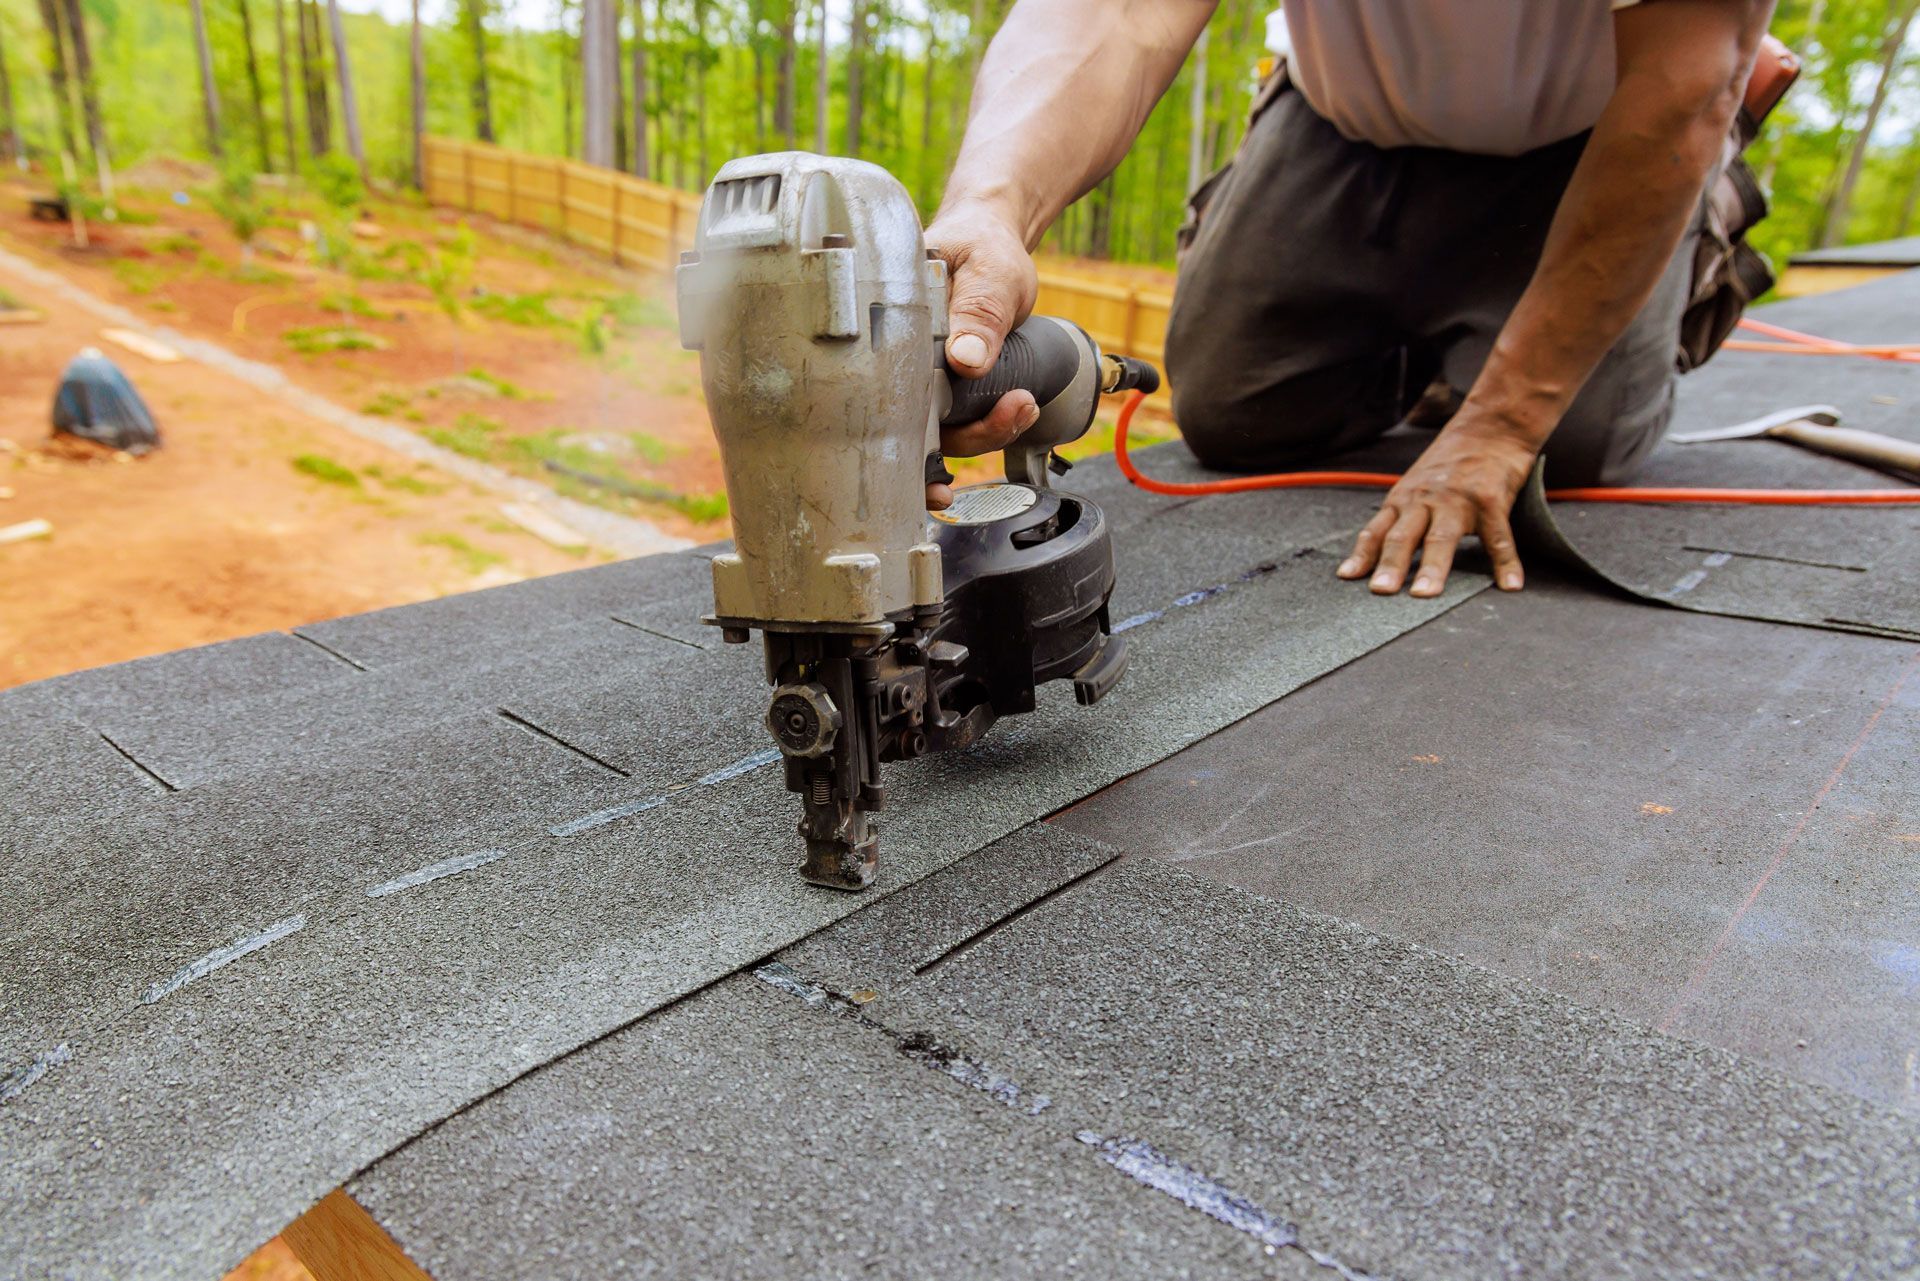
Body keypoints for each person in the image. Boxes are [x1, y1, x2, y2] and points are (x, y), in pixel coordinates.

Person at [926, 0, 1773, 597]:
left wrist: (1502, 423)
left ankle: (1690, 228)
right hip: (1347, 114)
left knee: (1567, 447)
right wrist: (992, 209)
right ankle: (1450, 341)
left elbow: (1681, 88)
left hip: (1596, 132)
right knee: (1234, 411)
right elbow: (1116, 15)